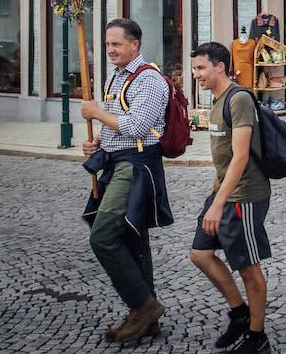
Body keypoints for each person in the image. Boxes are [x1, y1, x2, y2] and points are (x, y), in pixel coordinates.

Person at [79, 19, 172, 343]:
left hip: (136, 166)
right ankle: (146, 317)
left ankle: (144, 306)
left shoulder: (148, 79)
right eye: (107, 45)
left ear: (135, 44)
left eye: (116, 44)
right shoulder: (115, 77)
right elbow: (114, 127)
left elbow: (136, 126)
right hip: (115, 161)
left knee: (103, 236)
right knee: (132, 237)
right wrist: (96, 143)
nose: (110, 50)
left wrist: (95, 112)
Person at [189, 42, 273, 354]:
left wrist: (219, 203)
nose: (196, 74)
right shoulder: (215, 100)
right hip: (224, 193)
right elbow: (223, 160)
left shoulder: (238, 99)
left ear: (220, 67)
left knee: (248, 268)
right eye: (195, 68)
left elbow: (239, 158)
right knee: (200, 253)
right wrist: (212, 197)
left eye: (201, 68)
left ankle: (257, 335)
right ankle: (239, 313)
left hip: (245, 197)